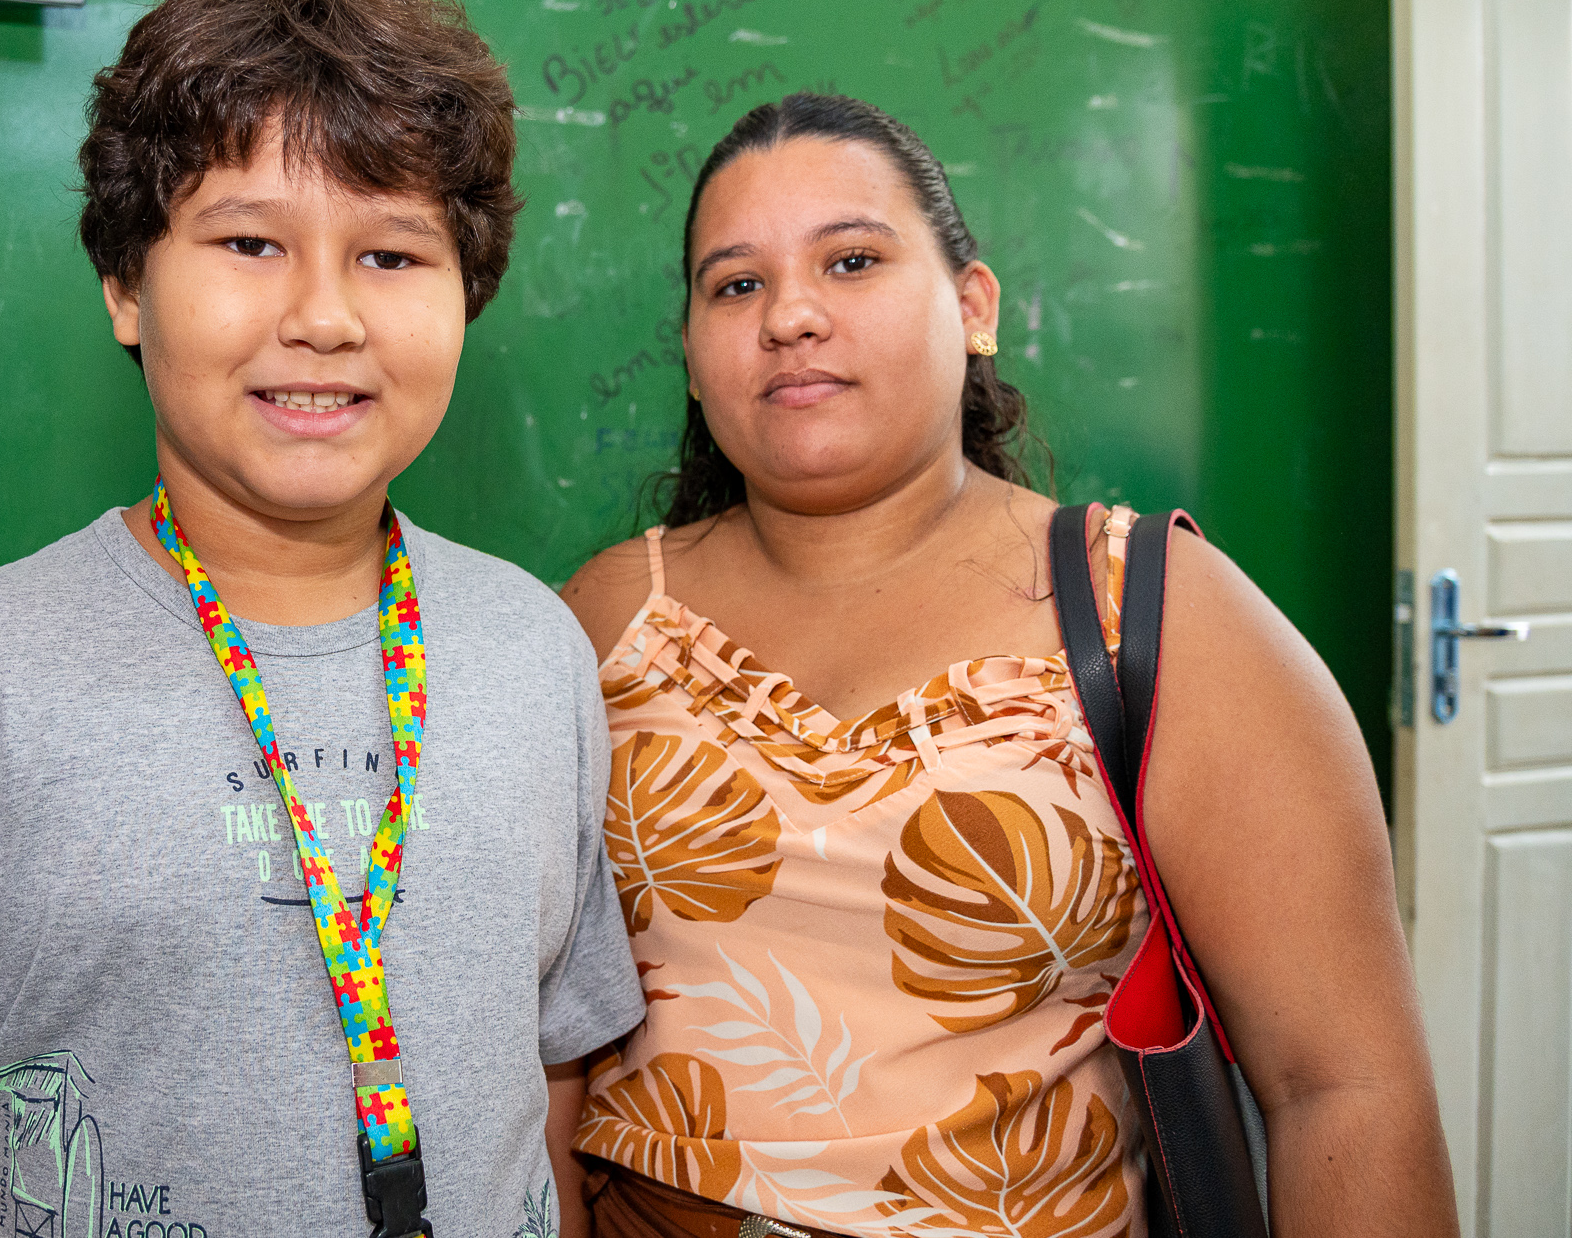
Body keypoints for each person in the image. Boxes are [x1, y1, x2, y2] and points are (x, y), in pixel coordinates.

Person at [0, 0, 643, 1238]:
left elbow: (548, 1083)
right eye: (250, 242)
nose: (325, 316)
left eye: (392, 255)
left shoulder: (534, 648)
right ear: (125, 282)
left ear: (467, 293)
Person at [557, 93, 1458, 1238]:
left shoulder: (1156, 612)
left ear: (972, 306)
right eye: (735, 285)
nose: (789, 314)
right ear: (691, 357)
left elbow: (1344, 1086)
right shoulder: (604, 619)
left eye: (850, 260)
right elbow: (536, 1048)